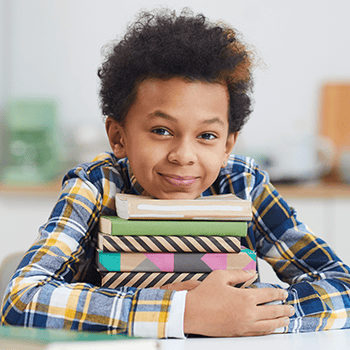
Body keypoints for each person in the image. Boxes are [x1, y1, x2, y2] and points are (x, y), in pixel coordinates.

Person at [1, 8, 350, 338]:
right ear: (118, 136)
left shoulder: (243, 182)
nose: (184, 156)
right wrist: (182, 312)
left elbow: (341, 286)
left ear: (228, 144)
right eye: (161, 131)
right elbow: (21, 300)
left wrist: (246, 313)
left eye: (207, 136)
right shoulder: (96, 184)